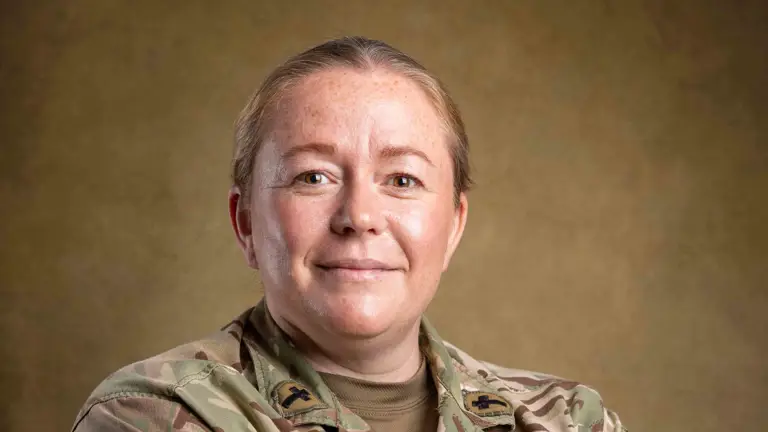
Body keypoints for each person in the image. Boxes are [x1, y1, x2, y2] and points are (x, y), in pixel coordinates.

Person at [72, 36, 626, 432]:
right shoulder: (154, 414)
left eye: (402, 180)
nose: (359, 216)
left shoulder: (567, 418)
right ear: (246, 222)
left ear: (454, 226)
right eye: (313, 177)